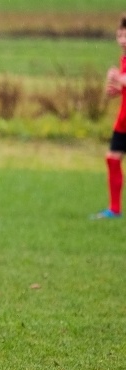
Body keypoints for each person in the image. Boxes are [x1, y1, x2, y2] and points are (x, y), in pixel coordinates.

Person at [92, 15, 126, 219]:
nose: (122, 38)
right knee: (112, 159)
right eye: (119, 34)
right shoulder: (123, 60)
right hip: (123, 120)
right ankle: (114, 209)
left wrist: (119, 79)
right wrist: (114, 89)